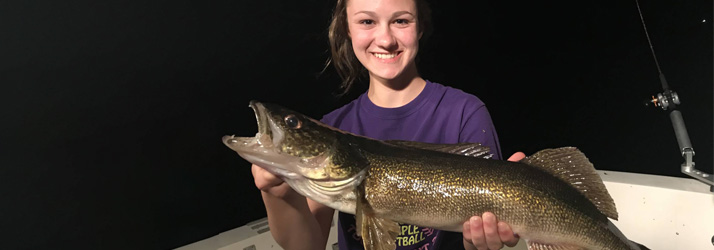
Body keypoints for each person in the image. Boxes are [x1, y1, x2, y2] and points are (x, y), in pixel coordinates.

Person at [251, 0, 526, 249]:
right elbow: (306, 246)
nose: (385, 39)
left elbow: (486, 228)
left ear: (420, 28)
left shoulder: (465, 112)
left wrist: (478, 241)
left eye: (401, 20)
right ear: (347, 29)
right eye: (367, 21)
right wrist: (277, 193)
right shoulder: (335, 126)